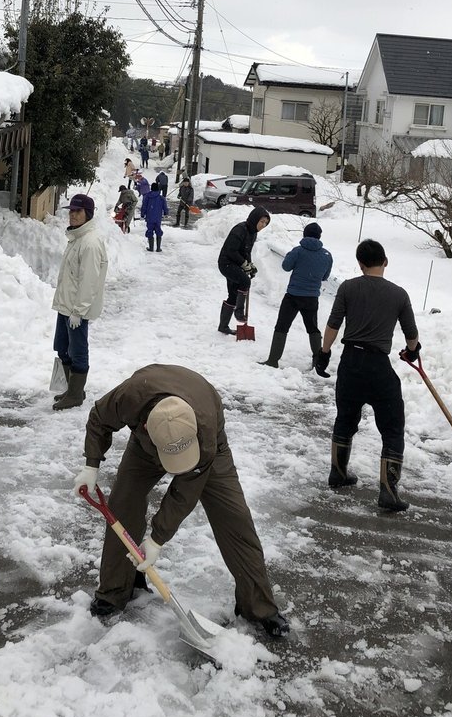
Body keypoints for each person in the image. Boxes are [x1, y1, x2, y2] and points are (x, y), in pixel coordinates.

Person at [73, 364, 290, 638]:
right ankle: (115, 592)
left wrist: (156, 540)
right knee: (123, 504)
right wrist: (91, 465)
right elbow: (98, 419)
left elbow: (185, 492)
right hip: (144, 447)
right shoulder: (129, 398)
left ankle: (259, 608)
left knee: (235, 519)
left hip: (207, 446)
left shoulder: (206, 428)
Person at [314, 239, 420, 512]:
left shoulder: (348, 287)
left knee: (345, 418)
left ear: (360, 265)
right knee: (393, 427)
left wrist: (324, 353)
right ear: (385, 261)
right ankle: (388, 492)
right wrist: (412, 351)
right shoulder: (399, 294)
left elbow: (333, 323)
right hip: (378, 367)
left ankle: (338, 473)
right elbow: (411, 335)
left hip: (350, 363)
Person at [51, 193, 109, 412]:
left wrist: (79, 310)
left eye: (78, 211)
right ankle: (72, 389)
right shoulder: (76, 239)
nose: (72, 215)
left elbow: (89, 282)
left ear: (88, 214)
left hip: (77, 309)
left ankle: (75, 394)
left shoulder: (90, 243)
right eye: (71, 211)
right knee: (62, 348)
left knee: (77, 350)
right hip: (66, 306)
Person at [259, 221, 332, 369]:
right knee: (313, 328)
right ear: (319, 237)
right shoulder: (327, 255)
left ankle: (273, 360)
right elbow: (325, 277)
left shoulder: (298, 251)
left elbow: (286, 267)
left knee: (282, 327)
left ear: (305, 235)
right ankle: (317, 360)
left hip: (293, 296)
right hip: (312, 298)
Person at [217, 206, 270, 334]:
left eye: (266, 223)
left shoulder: (253, 232)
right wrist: (244, 264)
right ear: (254, 219)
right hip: (226, 263)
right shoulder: (239, 230)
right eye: (262, 221)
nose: (263, 225)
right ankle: (239, 311)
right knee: (245, 282)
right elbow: (231, 250)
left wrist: (250, 265)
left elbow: (246, 251)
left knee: (233, 295)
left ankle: (223, 327)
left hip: (236, 265)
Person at [141, 182, 168, 252]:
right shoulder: (161, 198)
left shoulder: (147, 196)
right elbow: (165, 207)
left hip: (149, 217)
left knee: (150, 231)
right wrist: (166, 213)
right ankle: (158, 248)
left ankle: (151, 247)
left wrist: (142, 214)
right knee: (158, 231)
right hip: (158, 218)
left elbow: (144, 206)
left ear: (151, 188)